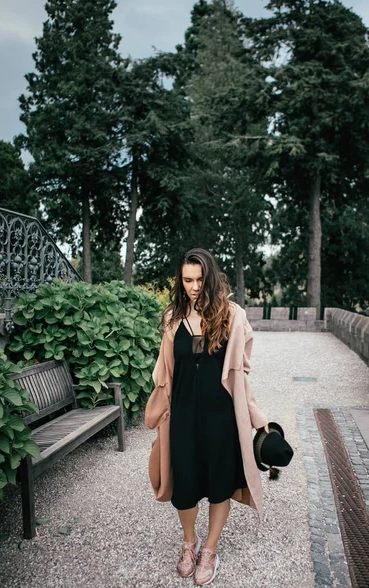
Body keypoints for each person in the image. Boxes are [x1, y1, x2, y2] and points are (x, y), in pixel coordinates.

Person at [145, 248, 269, 586]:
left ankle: (210, 548)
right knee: (183, 485)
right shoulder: (173, 317)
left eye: (200, 279)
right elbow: (164, 373)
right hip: (182, 416)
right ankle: (190, 542)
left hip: (221, 418)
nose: (194, 286)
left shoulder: (233, 316)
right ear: (180, 280)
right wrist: (159, 411)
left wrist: (258, 418)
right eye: (187, 280)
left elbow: (241, 374)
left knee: (219, 485)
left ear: (211, 277)